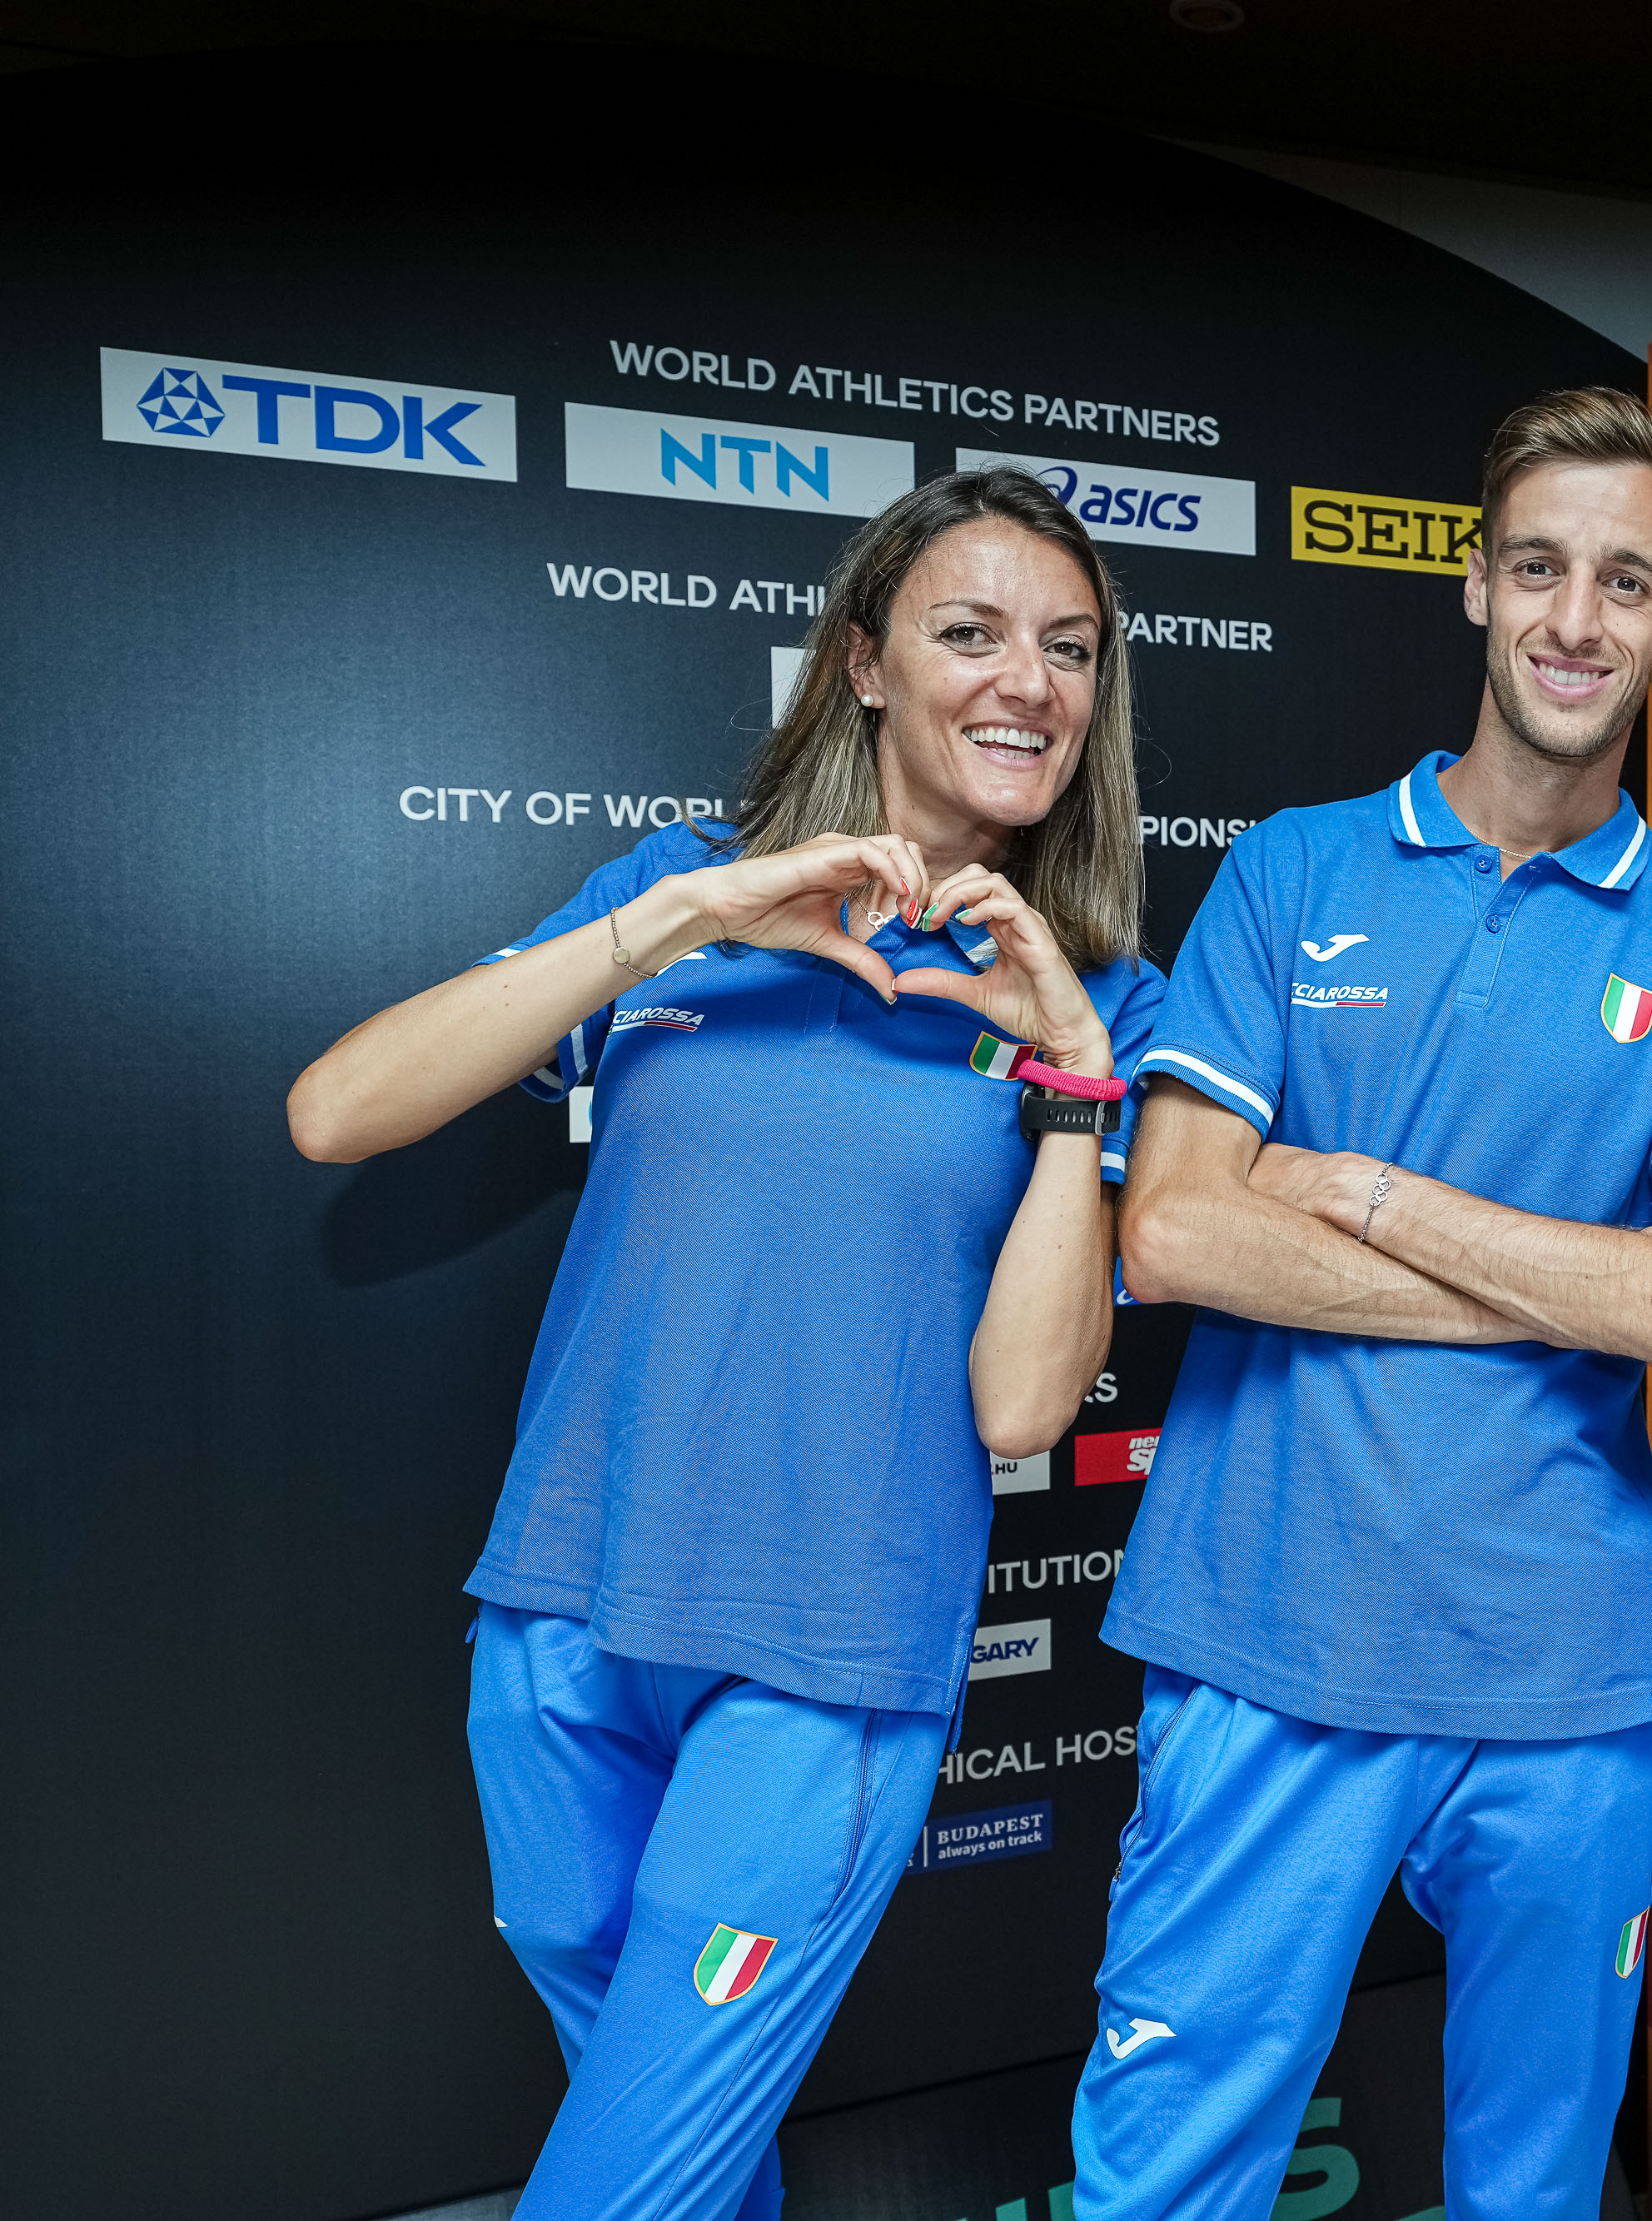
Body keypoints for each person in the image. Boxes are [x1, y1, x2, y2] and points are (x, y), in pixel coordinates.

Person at [286, 469, 1162, 2221]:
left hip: (826, 1656)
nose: (1028, 681)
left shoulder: (1108, 1003)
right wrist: (685, 916)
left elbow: (1021, 1403)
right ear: (863, 664)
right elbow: (336, 1112)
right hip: (561, 1612)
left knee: (629, 2180)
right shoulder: (683, 888)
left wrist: (1074, 1084)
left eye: (1068, 649)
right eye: (972, 632)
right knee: (671, 2137)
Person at [1075, 388, 1652, 2221]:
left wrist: (1367, 1191)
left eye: (1627, 582)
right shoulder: (1293, 867)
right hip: (1261, 1630)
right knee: (1165, 2186)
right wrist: (1570, 1287)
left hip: (1557, 1673)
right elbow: (1172, 1235)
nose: (1578, 619)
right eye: (1541, 568)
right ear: (1477, 584)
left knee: (1535, 2191)